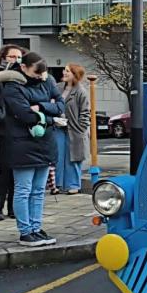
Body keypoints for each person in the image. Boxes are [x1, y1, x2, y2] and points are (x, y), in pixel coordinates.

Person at [0, 52, 63, 247]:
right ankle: (25, 231)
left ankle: (36, 228)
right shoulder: (12, 85)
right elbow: (25, 115)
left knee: (38, 191)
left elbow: (60, 105)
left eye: (42, 74)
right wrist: (50, 117)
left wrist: (40, 107)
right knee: (23, 189)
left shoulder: (48, 80)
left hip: (44, 142)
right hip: (21, 144)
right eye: (36, 73)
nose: (39, 77)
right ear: (24, 67)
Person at [0, 45, 25, 220]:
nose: (15, 60)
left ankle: (12, 208)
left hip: (17, 130)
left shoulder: (23, 78)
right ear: (3, 57)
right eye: (12, 56)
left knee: (15, 172)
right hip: (1, 130)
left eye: (19, 57)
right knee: (1, 172)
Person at [55, 63, 90, 195]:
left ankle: (73, 185)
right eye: (64, 70)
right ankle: (58, 184)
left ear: (75, 74)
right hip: (58, 127)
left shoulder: (81, 92)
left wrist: (80, 128)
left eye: (68, 71)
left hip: (74, 129)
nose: (64, 72)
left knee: (73, 158)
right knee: (58, 156)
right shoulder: (58, 87)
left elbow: (85, 113)